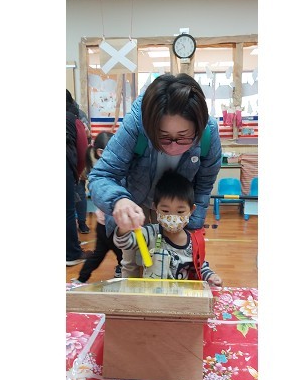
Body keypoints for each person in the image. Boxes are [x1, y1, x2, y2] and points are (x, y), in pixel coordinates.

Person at [87, 73, 222, 278]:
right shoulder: (137, 123)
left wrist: (193, 230)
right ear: (150, 127)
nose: (173, 146)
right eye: (163, 137)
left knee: (176, 259)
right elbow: (101, 175)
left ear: (198, 127)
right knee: (132, 262)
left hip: (176, 204)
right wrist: (118, 200)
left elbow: (203, 187)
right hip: (136, 201)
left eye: (184, 137)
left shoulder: (208, 134)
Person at [113, 170, 222, 286]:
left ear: (191, 210)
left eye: (180, 211)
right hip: (152, 293)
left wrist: (211, 276)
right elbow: (123, 243)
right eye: (165, 211)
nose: (173, 217)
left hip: (181, 294)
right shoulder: (150, 233)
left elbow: (200, 266)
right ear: (155, 208)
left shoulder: (193, 241)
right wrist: (124, 228)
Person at [71, 132, 124, 284]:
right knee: (121, 254)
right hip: (109, 225)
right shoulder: (103, 172)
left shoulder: (104, 168)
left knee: (100, 255)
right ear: (101, 152)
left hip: (106, 224)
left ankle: (81, 279)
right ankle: (120, 271)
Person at [66, 92, 92, 266]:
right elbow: (83, 151)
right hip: (66, 167)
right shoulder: (74, 119)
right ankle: (72, 254)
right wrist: (77, 174)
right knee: (67, 211)